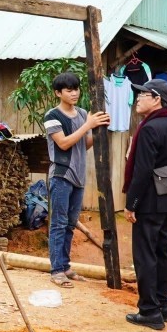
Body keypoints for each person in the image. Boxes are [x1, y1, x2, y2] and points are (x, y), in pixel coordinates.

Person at [122, 79, 167, 331]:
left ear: (157, 99)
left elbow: (143, 170)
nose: (138, 98)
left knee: (145, 254)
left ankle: (149, 311)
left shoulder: (148, 129)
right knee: (162, 252)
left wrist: (131, 203)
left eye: (143, 94)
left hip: (149, 201)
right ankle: (164, 306)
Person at [43, 72, 110, 287]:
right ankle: (56, 271)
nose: (74, 93)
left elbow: (84, 144)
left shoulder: (82, 114)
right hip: (62, 175)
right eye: (69, 90)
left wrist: (98, 129)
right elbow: (63, 144)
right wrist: (88, 125)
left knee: (70, 224)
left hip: (79, 176)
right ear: (58, 93)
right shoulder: (52, 116)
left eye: (76, 89)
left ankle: (65, 266)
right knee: (58, 223)